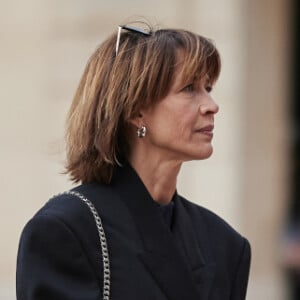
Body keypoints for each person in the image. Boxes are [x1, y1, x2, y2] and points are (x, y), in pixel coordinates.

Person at [16, 22, 251, 300]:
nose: (211, 105)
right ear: (136, 111)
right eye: (189, 88)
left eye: (208, 87)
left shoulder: (226, 245)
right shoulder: (66, 230)